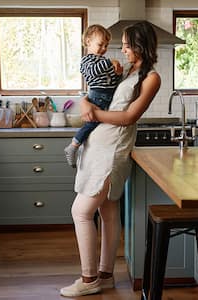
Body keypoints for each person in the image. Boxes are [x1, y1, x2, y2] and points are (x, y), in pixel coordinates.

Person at [60, 20, 161, 297]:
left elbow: (129, 117)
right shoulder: (127, 70)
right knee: (107, 211)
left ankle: (88, 279)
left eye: (127, 45)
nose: (123, 50)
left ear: (141, 45)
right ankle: (104, 276)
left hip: (112, 149)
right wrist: (85, 102)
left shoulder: (151, 77)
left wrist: (93, 113)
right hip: (98, 145)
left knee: (80, 211)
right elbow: (97, 91)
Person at [64, 24, 123, 168]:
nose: (103, 48)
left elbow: (112, 82)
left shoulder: (103, 61)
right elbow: (93, 72)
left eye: (106, 45)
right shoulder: (86, 61)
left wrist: (118, 74)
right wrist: (111, 62)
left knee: (100, 127)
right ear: (88, 42)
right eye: (100, 44)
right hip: (97, 97)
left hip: (107, 97)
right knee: (92, 123)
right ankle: (73, 146)